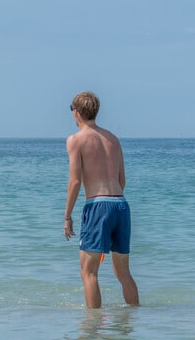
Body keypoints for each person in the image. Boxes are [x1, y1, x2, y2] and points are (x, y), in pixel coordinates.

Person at [63, 92, 139, 308]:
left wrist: (67, 216)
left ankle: (92, 328)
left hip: (98, 206)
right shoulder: (113, 139)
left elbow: (75, 181)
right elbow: (122, 179)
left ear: (76, 112)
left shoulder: (75, 140)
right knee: (124, 273)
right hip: (121, 205)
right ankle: (133, 321)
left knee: (88, 272)